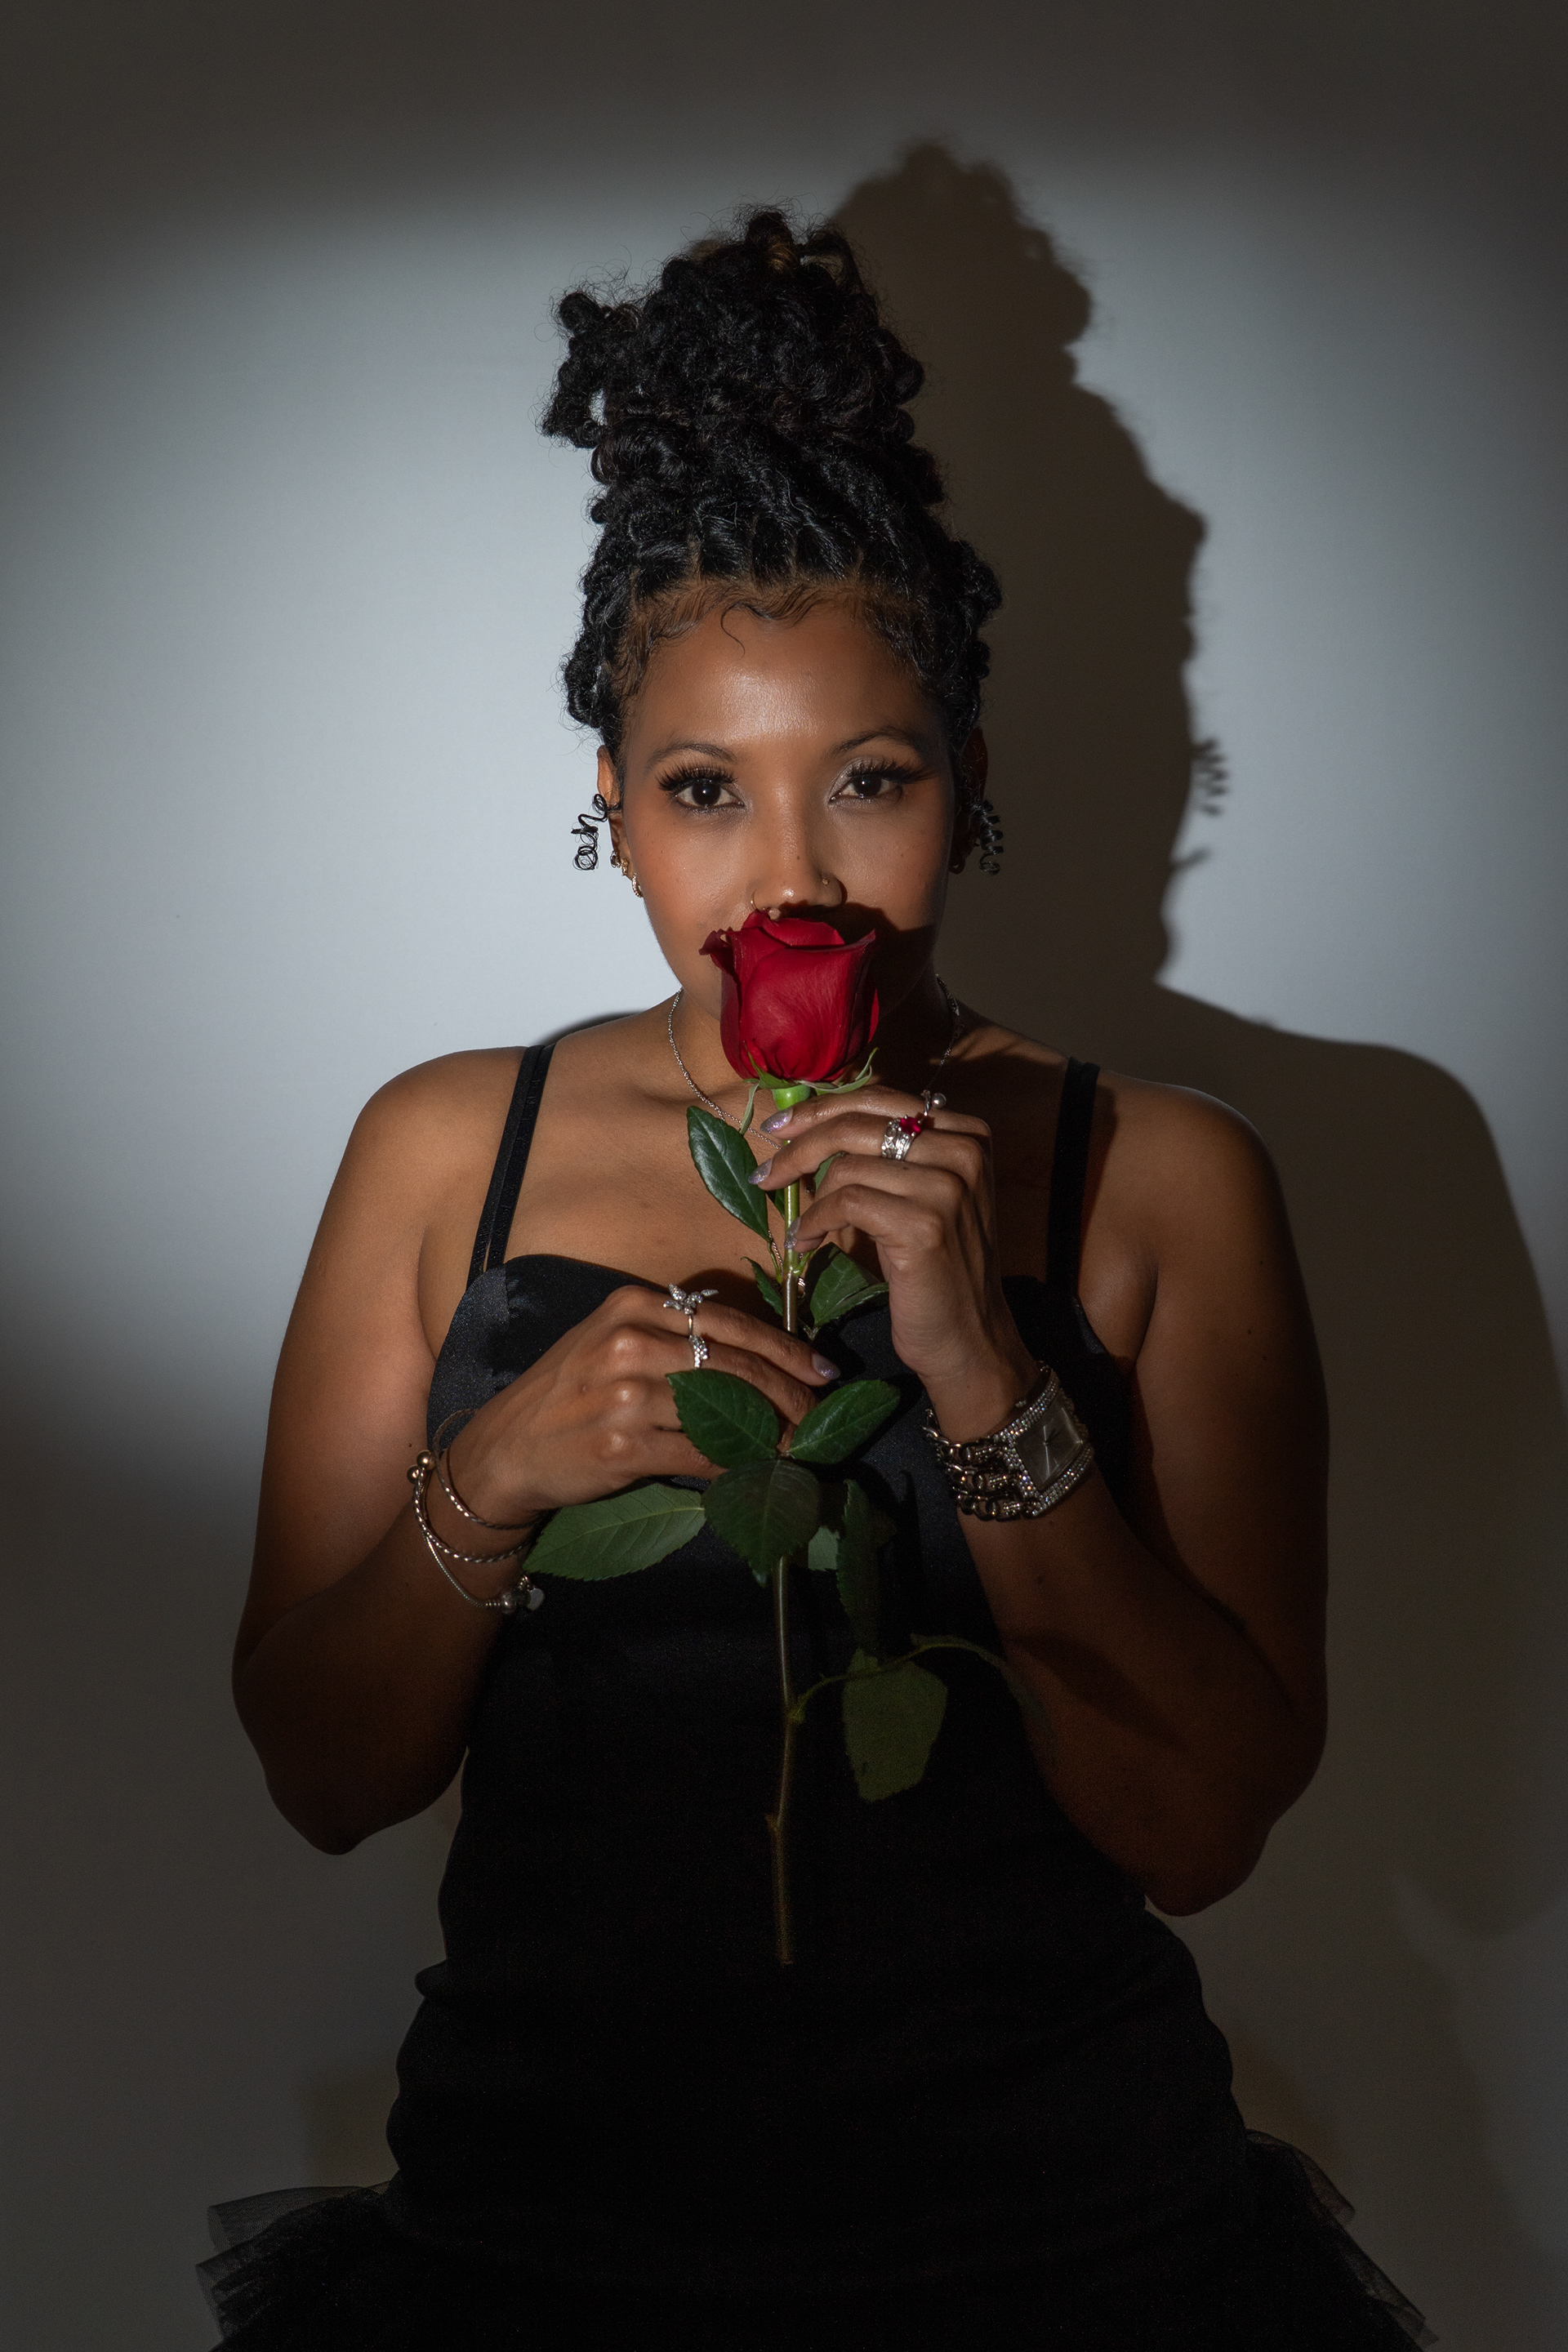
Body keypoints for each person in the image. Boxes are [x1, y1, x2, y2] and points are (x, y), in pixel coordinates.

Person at [203, 210, 1430, 2350]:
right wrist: (491, 1479)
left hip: (1069, 2257)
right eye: (702, 792)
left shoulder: (1168, 1179)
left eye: (869, 779)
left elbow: (1207, 1825)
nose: (789, 873)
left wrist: (979, 1374)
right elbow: (322, 1774)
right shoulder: (443, 1147)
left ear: (972, 790)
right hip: (535, 2244)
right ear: (611, 811)